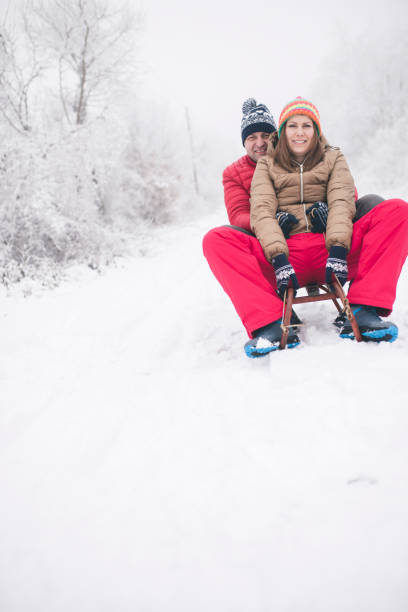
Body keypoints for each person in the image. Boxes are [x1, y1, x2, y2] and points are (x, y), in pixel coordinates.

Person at [203, 96, 408, 357]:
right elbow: (253, 212)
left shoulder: (333, 158)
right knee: (216, 239)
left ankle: (363, 307)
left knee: (397, 210)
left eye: (266, 135)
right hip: (283, 253)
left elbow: (345, 199)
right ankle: (270, 322)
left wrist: (332, 228)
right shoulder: (260, 167)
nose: (260, 143)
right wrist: (276, 241)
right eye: (251, 137)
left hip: (331, 248)